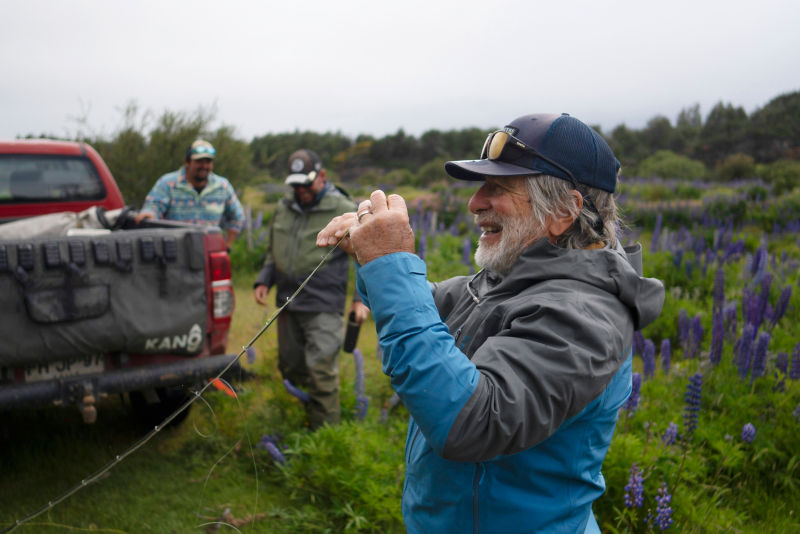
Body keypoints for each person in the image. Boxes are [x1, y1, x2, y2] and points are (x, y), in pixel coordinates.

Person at [317, 113, 665, 532]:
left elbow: (474, 420)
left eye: (498, 188)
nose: (475, 202)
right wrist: (375, 259)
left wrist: (391, 266)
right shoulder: (508, 281)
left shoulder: (585, 314)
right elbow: (426, 305)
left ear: (563, 210)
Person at [254, 149, 369, 430]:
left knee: (321, 371)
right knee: (291, 367)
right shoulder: (284, 207)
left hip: (323, 304)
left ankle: (325, 437)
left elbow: (365, 254)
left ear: (322, 177)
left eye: (306, 183)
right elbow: (275, 250)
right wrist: (264, 279)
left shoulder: (343, 208)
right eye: (295, 184)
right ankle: (302, 418)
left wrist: (360, 299)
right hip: (287, 303)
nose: (301, 190)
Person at [135, 139, 245, 248]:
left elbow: (238, 217)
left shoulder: (222, 186)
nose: (204, 166)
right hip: (175, 252)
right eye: (199, 161)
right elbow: (154, 205)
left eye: (208, 161)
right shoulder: (168, 183)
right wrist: (149, 213)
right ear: (187, 162)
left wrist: (227, 245)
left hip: (209, 252)